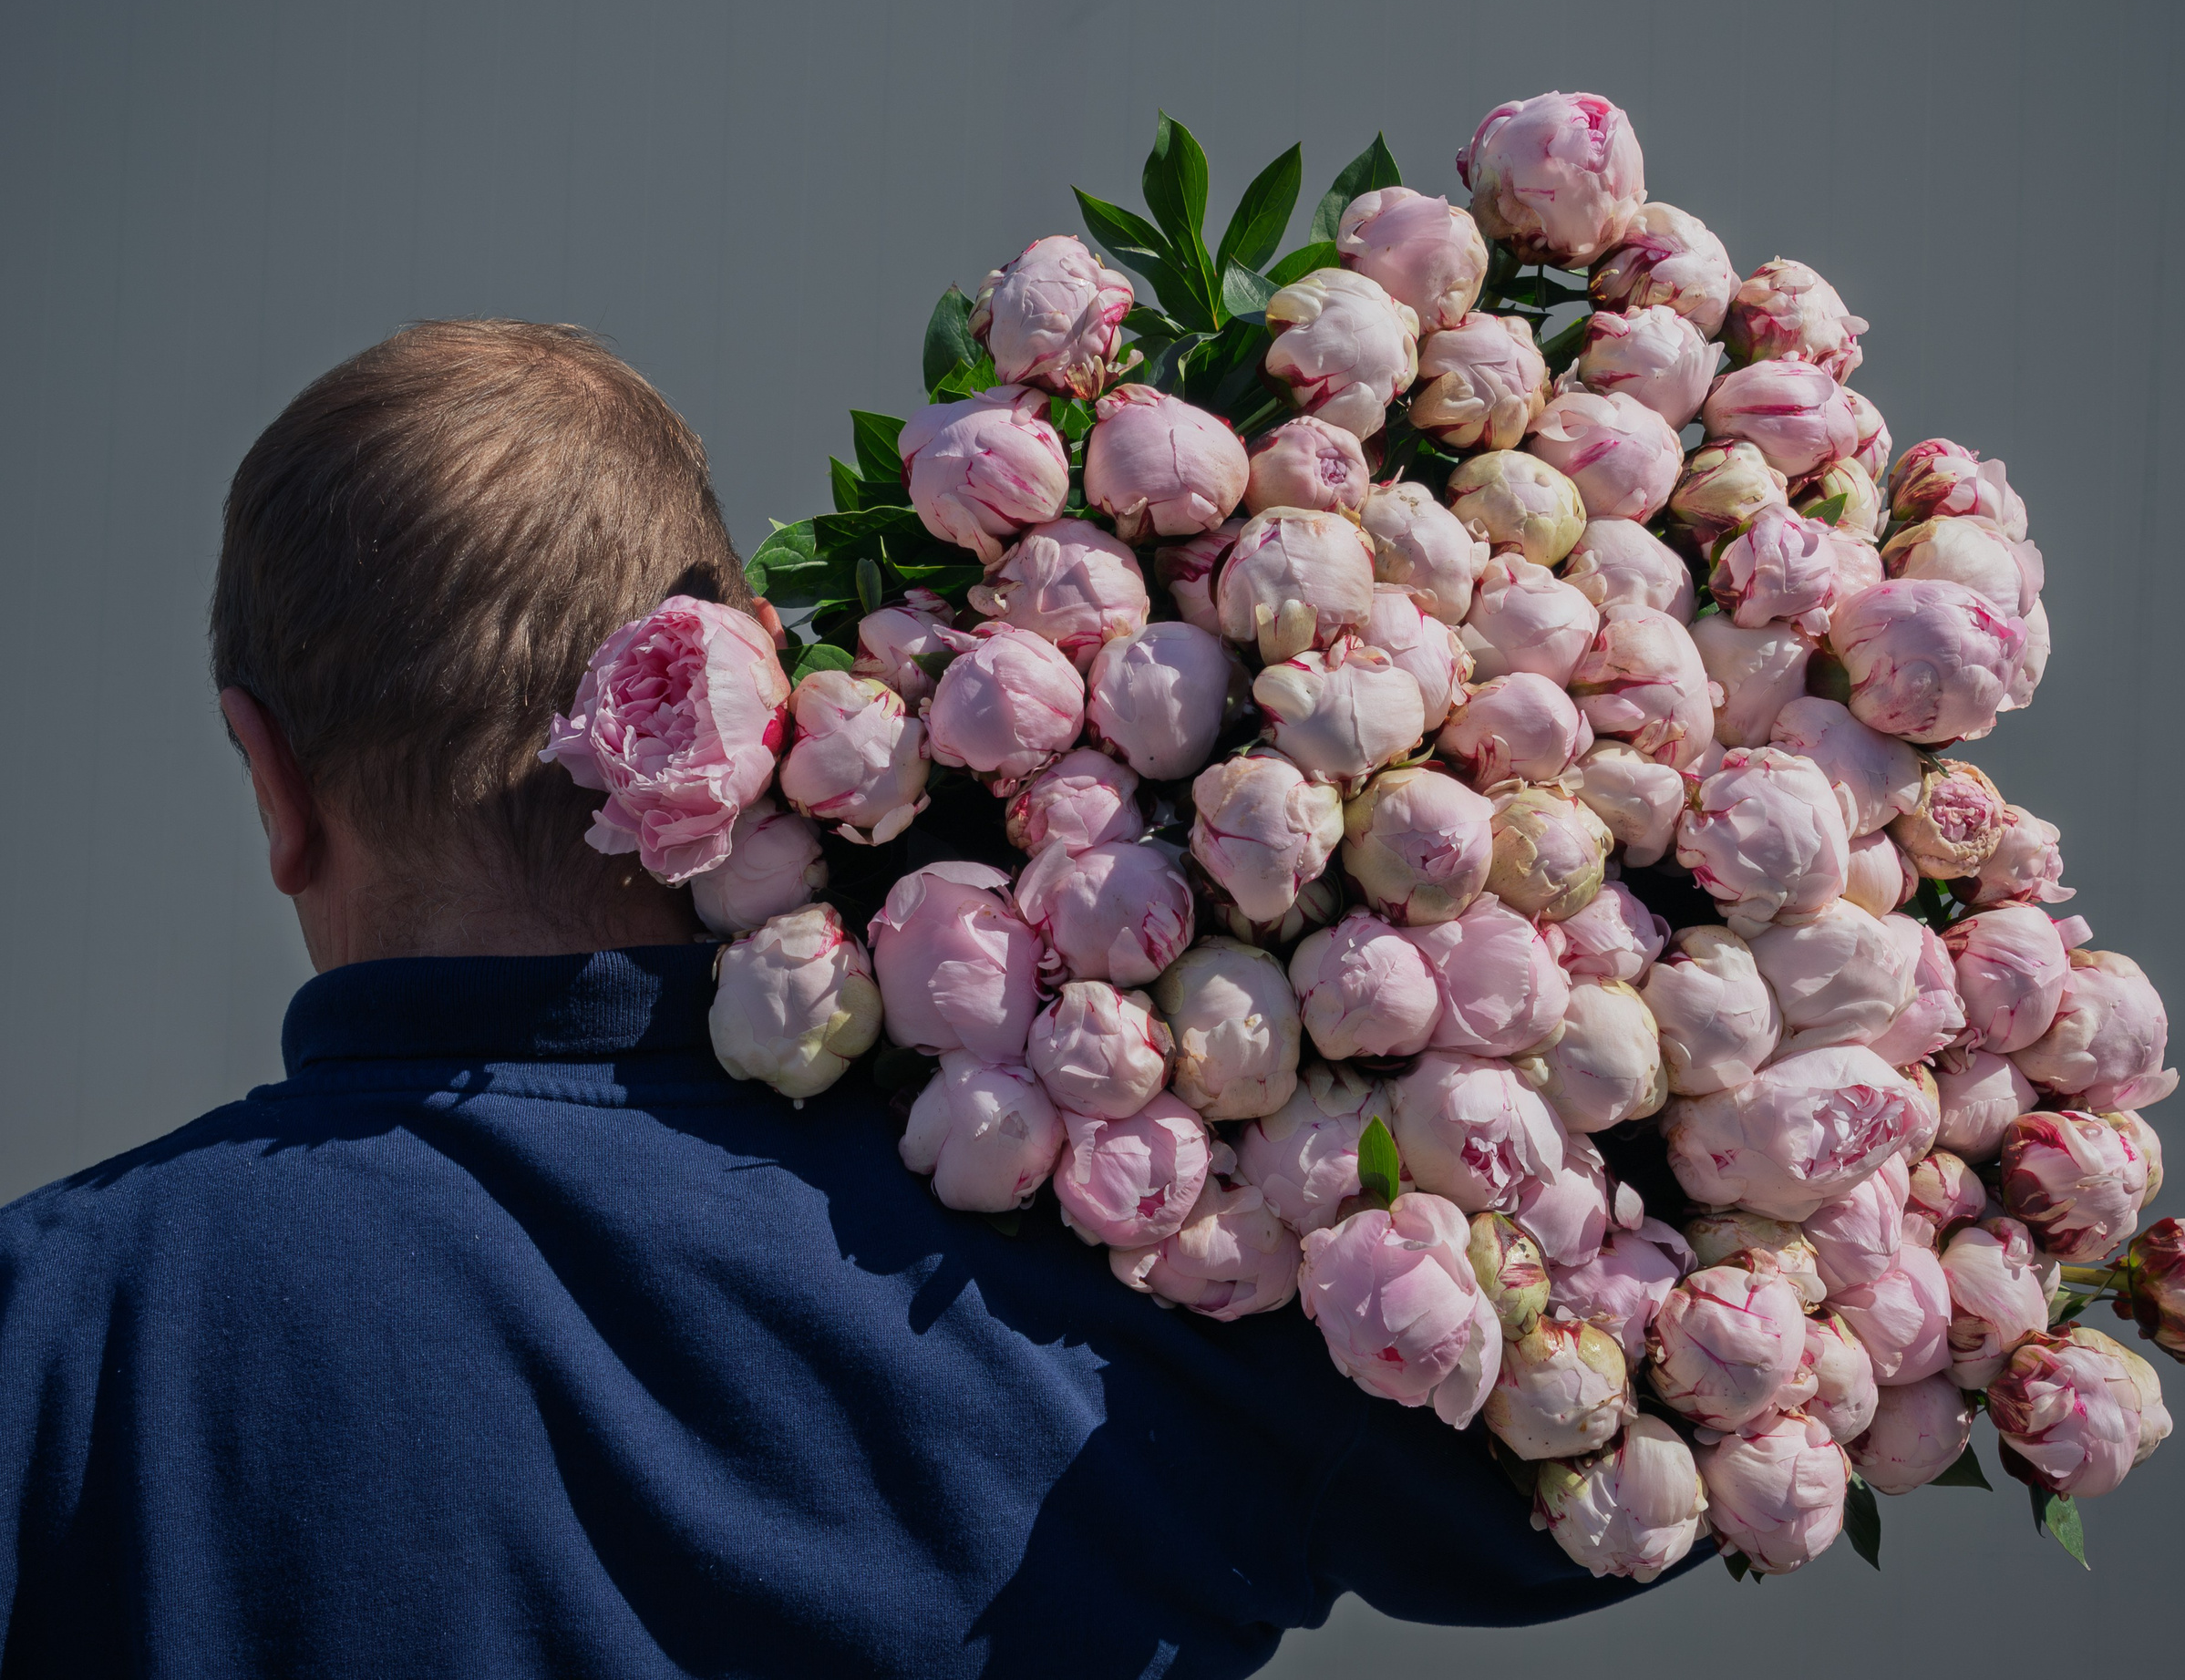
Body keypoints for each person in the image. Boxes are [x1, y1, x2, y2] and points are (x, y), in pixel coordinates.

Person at [0, 321, 1688, 1677]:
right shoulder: (1137, 1257)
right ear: (759, 677)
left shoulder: (54, 1333)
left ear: (269, 776)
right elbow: (1589, 1502)